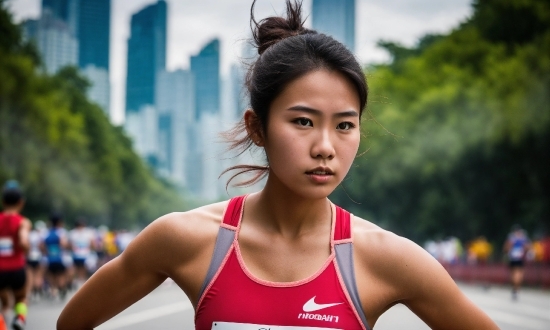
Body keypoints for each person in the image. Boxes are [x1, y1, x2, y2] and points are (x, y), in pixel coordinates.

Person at [58, 1, 498, 329]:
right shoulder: (186, 240)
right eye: (303, 121)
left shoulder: (387, 258)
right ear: (257, 128)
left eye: (345, 125)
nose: (325, 146)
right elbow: (70, 323)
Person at [0, 181, 31, 330]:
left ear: (3, 202)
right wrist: (25, 248)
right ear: (21, 203)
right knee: (21, 298)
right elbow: (24, 241)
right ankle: (20, 317)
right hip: (17, 268)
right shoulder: (23, 222)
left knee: (4, 303)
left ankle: (2, 324)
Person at [42, 213, 69, 300]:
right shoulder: (61, 232)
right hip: (60, 258)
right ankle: (61, 288)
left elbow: (41, 246)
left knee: (52, 276)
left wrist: (47, 252)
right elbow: (63, 244)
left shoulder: (46, 232)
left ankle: (53, 291)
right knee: (61, 275)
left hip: (49, 259)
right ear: (60, 222)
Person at [503, 224, 531, 300]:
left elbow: (506, 248)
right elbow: (528, 248)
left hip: (513, 259)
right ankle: (516, 290)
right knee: (518, 274)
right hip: (519, 259)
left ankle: (515, 290)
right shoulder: (524, 238)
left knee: (515, 274)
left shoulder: (511, 238)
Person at [68, 218, 95, 289]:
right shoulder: (88, 233)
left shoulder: (72, 233)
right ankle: (82, 284)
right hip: (85, 256)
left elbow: (69, 245)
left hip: (75, 255)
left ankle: (75, 282)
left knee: (75, 270)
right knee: (83, 271)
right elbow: (92, 244)